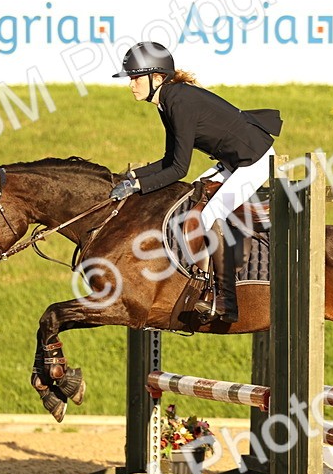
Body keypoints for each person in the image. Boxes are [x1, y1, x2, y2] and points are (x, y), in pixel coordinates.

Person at [109, 42, 281, 323]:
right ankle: (201, 273)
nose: (131, 85)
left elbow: (178, 168)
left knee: (212, 213)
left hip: (255, 160)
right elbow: (168, 159)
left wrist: (138, 187)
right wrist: (132, 178)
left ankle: (225, 299)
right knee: (193, 197)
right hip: (233, 161)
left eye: (135, 78)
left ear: (156, 78)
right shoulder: (167, 101)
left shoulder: (179, 101)